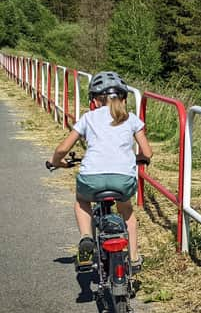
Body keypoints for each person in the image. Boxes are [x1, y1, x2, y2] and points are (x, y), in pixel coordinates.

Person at [49, 71, 152, 271]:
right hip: (122, 179)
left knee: (82, 201)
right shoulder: (131, 119)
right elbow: (147, 152)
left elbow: (62, 149)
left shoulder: (88, 118)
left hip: (92, 178)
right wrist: (139, 158)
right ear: (123, 98)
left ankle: (86, 237)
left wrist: (56, 162)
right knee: (127, 211)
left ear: (95, 100)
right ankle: (133, 257)